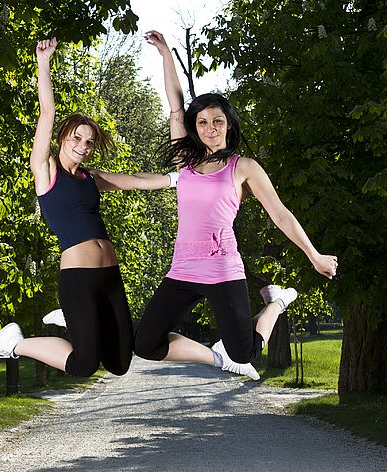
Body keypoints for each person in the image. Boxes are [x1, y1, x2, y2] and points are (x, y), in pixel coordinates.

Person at [131, 30, 338, 381]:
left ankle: (276, 301)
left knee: (245, 353)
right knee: (145, 343)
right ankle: (214, 357)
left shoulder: (243, 167)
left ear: (228, 124)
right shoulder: (186, 160)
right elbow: (176, 106)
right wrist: (166, 54)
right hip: (183, 267)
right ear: (195, 129)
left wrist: (314, 255)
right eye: (203, 123)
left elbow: (281, 215)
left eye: (217, 121)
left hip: (222, 267)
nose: (210, 128)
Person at [0, 38, 176, 378]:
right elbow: (47, 112)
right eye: (77, 138)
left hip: (110, 276)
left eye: (89, 142)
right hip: (78, 278)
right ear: (63, 136)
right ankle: (13, 343)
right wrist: (43, 62)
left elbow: (133, 179)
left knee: (120, 363)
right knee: (83, 365)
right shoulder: (46, 169)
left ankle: (76, 317)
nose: (83, 146)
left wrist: (174, 180)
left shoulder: (89, 177)